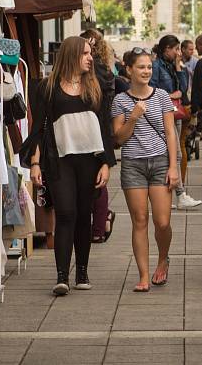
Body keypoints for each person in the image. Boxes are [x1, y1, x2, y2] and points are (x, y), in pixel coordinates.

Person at [24, 36, 116, 296]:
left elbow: (104, 129)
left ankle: (82, 271)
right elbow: (39, 129)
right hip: (59, 159)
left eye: (91, 53)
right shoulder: (47, 88)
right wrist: (35, 163)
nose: (90, 58)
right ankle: (62, 275)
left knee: (84, 216)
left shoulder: (94, 86)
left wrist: (106, 163)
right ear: (72, 55)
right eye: (86, 53)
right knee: (65, 214)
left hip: (90, 160)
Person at [112, 48, 179, 292]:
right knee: (139, 221)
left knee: (162, 222)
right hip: (133, 164)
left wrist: (174, 167)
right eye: (141, 67)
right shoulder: (120, 101)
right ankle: (143, 275)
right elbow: (118, 138)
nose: (146, 71)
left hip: (160, 161)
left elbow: (171, 133)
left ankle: (163, 259)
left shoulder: (161, 96)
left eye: (149, 67)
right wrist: (133, 117)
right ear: (128, 70)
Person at [150, 35, 202, 209]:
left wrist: (179, 68)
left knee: (177, 153)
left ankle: (177, 194)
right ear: (166, 49)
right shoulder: (156, 66)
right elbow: (152, 88)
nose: (178, 53)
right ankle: (178, 194)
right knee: (172, 153)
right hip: (164, 113)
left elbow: (183, 87)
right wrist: (170, 95)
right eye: (176, 49)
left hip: (175, 112)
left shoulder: (173, 66)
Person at [81, 29, 117, 243]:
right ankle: (101, 223)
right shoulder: (104, 69)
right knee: (94, 181)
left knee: (97, 182)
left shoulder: (99, 71)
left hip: (98, 130)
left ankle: (98, 227)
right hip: (95, 129)